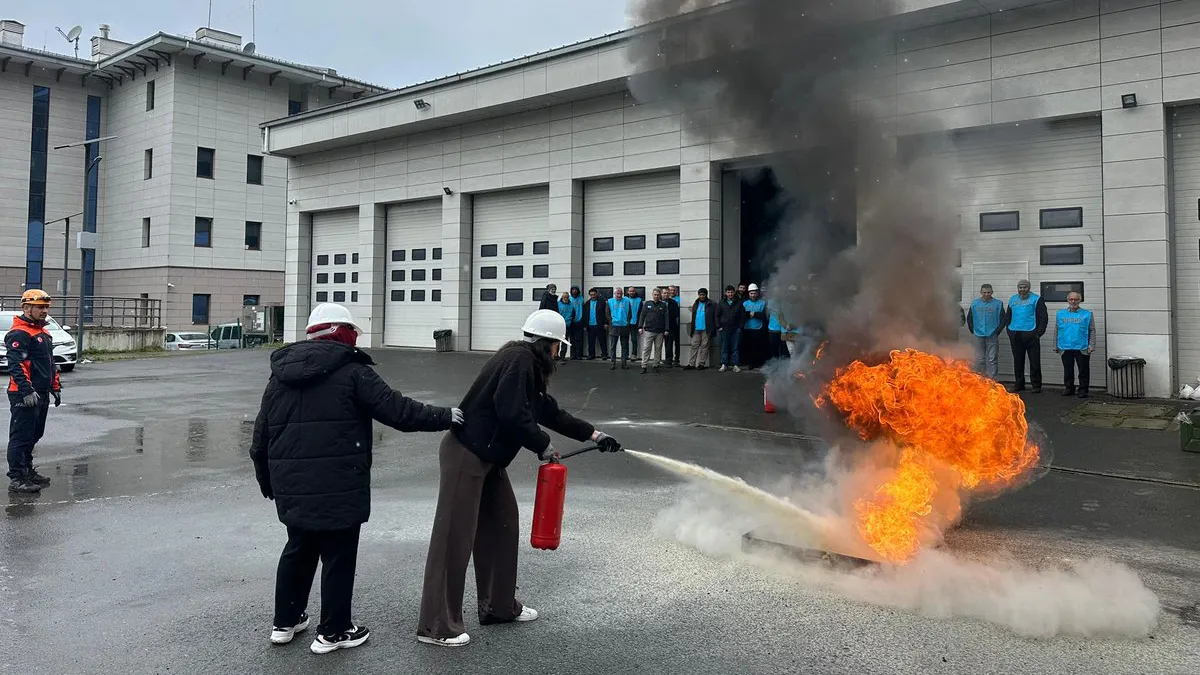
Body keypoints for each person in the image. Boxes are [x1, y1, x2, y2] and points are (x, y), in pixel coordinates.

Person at [250, 303, 462, 654]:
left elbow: (261, 436)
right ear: (343, 332)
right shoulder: (352, 371)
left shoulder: (280, 375)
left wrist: (268, 482)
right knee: (338, 552)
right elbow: (398, 411)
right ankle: (333, 632)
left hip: (292, 484)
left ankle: (285, 623)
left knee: (298, 548)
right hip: (339, 483)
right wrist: (447, 417)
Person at [416, 309, 623, 648]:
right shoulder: (518, 360)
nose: (559, 353)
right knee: (453, 537)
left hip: (489, 458)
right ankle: (437, 626)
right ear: (548, 343)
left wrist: (595, 435)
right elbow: (510, 412)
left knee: (503, 524)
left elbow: (546, 411)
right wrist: (542, 445)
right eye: (558, 346)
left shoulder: (526, 365)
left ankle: (498, 607)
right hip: (466, 453)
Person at [6, 289, 61, 494]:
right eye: (40, 307)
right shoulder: (19, 333)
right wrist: (26, 390)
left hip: (41, 392)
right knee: (21, 437)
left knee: (34, 435)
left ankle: (28, 471)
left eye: (46, 307)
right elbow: (16, 364)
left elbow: (50, 363)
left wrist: (55, 386)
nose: (44, 310)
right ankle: (17, 478)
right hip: (23, 394)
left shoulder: (43, 333)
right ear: (26, 307)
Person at [1005, 279, 1048, 394]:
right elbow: (1008, 316)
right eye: (1020, 287)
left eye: (1025, 287)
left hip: (1031, 334)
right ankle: (1019, 384)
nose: (1022, 289)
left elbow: (1043, 317)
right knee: (1018, 361)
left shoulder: (1036, 299)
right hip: (1015, 334)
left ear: (1029, 288)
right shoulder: (1012, 299)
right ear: (1017, 288)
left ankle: (1036, 385)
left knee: (1034, 362)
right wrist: (1009, 330)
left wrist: (1038, 333)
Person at [1053, 291, 1095, 398]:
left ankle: (1083, 390)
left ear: (1079, 300)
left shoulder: (1087, 314)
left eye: (1076, 299)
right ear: (1067, 300)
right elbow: (1056, 330)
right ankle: (1069, 388)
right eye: (1071, 299)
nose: (1073, 301)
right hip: (1065, 346)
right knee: (1068, 370)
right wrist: (1055, 345)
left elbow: (1092, 330)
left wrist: (1091, 345)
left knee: (1083, 370)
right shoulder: (1060, 314)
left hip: (1082, 346)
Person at [966, 284, 1006, 380]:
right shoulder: (975, 304)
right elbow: (969, 318)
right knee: (979, 359)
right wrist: (973, 330)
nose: (986, 294)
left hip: (992, 334)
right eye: (984, 292)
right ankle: (980, 380)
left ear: (992, 292)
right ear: (981, 292)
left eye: (988, 292)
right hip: (978, 335)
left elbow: (1003, 319)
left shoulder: (998, 304)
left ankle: (992, 380)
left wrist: (997, 331)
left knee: (992, 359)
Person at [685, 288, 718, 370]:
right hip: (696, 328)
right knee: (694, 346)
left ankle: (701, 364)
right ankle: (691, 364)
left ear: (706, 295)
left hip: (706, 329)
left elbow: (715, 316)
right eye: (700, 294)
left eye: (703, 294)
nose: (701, 296)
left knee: (704, 346)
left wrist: (715, 327)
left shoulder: (712, 304)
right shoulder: (696, 303)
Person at [638, 288, 669, 374]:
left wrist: (666, 329)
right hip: (649, 330)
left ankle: (656, 365)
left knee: (658, 349)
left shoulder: (663, 305)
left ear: (660, 296)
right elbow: (642, 316)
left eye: (658, 295)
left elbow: (666, 318)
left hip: (660, 331)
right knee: (647, 348)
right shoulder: (647, 304)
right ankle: (644, 366)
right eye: (655, 294)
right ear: (652, 295)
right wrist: (640, 327)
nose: (656, 296)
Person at [715, 286, 745, 373]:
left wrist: (740, 327)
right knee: (724, 347)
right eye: (728, 292)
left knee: (735, 348)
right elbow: (717, 315)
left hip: (736, 329)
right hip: (724, 329)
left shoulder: (739, 303)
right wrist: (718, 326)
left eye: (731, 292)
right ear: (725, 293)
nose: (730, 294)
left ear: (734, 292)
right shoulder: (721, 303)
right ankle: (724, 364)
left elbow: (743, 316)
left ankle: (735, 365)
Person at [606, 287, 634, 370]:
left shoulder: (627, 301)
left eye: (620, 293)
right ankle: (612, 363)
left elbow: (630, 313)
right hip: (614, 326)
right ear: (614, 294)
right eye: (617, 293)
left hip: (624, 326)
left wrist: (627, 321)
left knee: (624, 346)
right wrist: (611, 321)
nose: (619, 295)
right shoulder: (610, 301)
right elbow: (607, 313)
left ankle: (624, 363)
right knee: (613, 346)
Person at [741, 284, 768, 369]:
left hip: (759, 328)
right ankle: (751, 364)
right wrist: (750, 314)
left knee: (759, 347)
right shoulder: (744, 303)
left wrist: (754, 314)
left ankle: (759, 363)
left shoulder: (763, 303)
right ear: (749, 293)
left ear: (757, 293)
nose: (753, 295)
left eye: (754, 293)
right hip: (747, 328)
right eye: (751, 293)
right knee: (749, 347)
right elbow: (742, 316)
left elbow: (764, 316)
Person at [583, 288, 608, 360]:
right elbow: (585, 315)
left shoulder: (602, 302)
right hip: (590, 325)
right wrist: (585, 325)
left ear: (597, 294)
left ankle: (604, 354)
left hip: (600, 325)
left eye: (594, 294)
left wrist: (606, 323)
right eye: (591, 295)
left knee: (602, 341)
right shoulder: (587, 303)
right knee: (591, 342)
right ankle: (591, 355)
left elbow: (605, 313)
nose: (593, 296)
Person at [664, 286, 681, 367]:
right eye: (670, 290)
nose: (671, 292)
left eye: (673, 290)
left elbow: (676, 314)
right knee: (666, 344)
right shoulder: (661, 302)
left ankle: (673, 360)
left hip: (673, 325)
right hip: (662, 326)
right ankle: (666, 359)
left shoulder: (674, 302)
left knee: (672, 343)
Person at [626, 287, 643, 361]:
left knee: (634, 339)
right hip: (625, 323)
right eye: (630, 291)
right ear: (628, 292)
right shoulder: (625, 299)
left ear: (635, 291)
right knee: (625, 340)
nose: (631, 292)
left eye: (633, 291)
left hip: (635, 322)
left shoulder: (639, 300)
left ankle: (634, 354)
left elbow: (641, 313)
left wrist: (640, 324)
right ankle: (625, 355)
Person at [568, 286, 585, 360]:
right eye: (573, 290)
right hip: (571, 321)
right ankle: (573, 354)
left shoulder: (581, 298)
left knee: (579, 339)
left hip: (579, 321)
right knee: (572, 339)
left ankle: (579, 354)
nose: (574, 291)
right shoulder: (569, 299)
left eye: (576, 290)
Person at [556, 292, 573, 363]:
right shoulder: (558, 304)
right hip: (559, 324)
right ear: (562, 297)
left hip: (567, 325)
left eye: (567, 297)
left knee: (565, 341)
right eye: (564, 297)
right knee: (557, 341)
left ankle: (562, 356)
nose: (566, 298)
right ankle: (556, 355)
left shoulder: (571, 305)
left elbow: (573, 314)